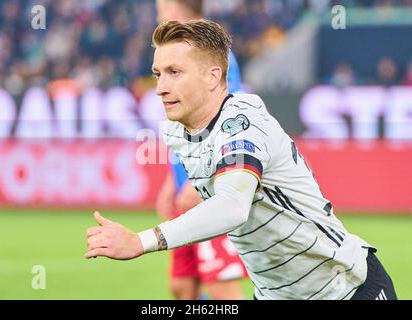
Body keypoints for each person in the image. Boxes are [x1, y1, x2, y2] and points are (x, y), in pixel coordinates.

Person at [85, 19, 397, 300]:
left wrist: (142, 241)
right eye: (158, 74)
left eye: (174, 73)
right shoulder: (176, 132)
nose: (161, 88)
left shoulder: (242, 122)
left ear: (212, 77)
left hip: (345, 288)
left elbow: (232, 207)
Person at [154, 0, 246, 300]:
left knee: (221, 287)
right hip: (187, 187)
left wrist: (202, 180)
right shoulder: (178, 57)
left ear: (179, 12)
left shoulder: (212, 58)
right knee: (183, 287)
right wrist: (172, 181)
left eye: (162, 10)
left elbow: (224, 119)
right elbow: (187, 130)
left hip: (208, 191)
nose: (159, 17)